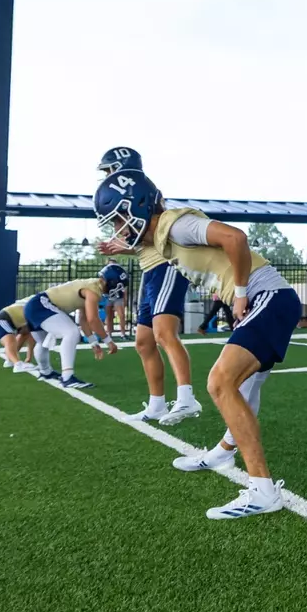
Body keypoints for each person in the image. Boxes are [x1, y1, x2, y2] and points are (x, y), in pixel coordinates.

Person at [98, 170, 304, 520]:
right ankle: (224, 451)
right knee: (244, 386)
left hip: (267, 296)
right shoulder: (163, 238)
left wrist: (239, 292)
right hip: (267, 299)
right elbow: (158, 250)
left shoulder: (176, 224)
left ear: (134, 206)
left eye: (118, 218)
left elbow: (235, 238)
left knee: (220, 382)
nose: (117, 227)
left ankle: (264, 491)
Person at [95, 150, 201, 427]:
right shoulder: (128, 194)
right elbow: (143, 242)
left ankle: (187, 397)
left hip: (166, 265)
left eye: (109, 170)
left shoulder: (146, 192)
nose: (107, 176)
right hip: (148, 269)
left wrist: (127, 245)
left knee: (165, 333)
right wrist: (124, 248)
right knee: (143, 342)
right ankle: (156, 404)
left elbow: (159, 235)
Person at [23, 264, 123, 389]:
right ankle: (67, 377)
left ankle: (45, 371)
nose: (119, 290)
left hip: (35, 306)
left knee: (42, 341)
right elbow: (93, 320)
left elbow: (84, 320)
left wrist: (93, 343)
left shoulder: (90, 286)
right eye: (119, 286)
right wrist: (108, 341)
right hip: (42, 305)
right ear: (112, 282)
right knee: (71, 332)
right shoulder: (93, 290)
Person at [0, 298, 43, 373]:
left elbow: (31, 335)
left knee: (25, 333)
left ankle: (10, 360)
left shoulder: (35, 305)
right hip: (0, 320)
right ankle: (18, 364)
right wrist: (28, 358)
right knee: (10, 341)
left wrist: (28, 358)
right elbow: (32, 337)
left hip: (6, 321)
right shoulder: (36, 305)